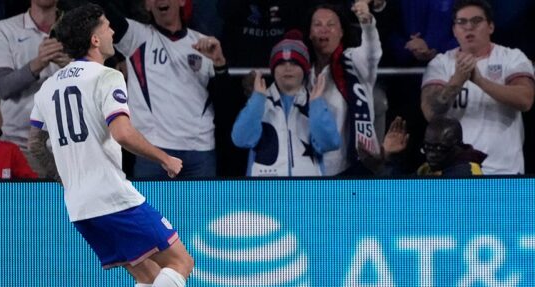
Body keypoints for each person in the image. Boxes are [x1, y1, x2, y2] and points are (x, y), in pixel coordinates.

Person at [28, 4, 199, 287]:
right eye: (107, 28)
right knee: (181, 262)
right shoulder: (106, 77)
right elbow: (121, 133)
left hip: (78, 205)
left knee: (147, 274)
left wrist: (64, 175)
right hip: (112, 196)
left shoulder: (48, 87)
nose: (112, 34)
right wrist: (165, 158)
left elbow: (35, 143)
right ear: (93, 38)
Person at [95, 0, 231, 179]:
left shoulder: (204, 44)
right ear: (146, 5)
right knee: (153, 209)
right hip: (152, 152)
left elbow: (226, 103)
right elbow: (103, 10)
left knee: (201, 207)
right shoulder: (136, 37)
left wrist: (220, 64)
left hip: (200, 151)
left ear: (183, 2)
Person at [421, 0, 535, 175]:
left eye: (476, 21)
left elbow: (525, 100)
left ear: (490, 27)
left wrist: (479, 80)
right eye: (462, 22)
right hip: (456, 171)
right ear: (454, 30)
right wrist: (457, 81)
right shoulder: (441, 63)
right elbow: (430, 112)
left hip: (504, 170)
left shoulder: (512, 57)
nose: (469, 27)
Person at [231, 31, 341, 176]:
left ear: (304, 69)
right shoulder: (259, 102)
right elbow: (241, 139)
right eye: (282, 63)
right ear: (273, 69)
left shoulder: (314, 103)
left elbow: (329, 143)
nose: (288, 68)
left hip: (307, 193)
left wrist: (316, 105)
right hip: (265, 194)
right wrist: (257, 100)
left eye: (294, 63)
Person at [0, 0, 70, 178]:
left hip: (72, 147)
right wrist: (39, 63)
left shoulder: (77, 27)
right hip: (22, 147)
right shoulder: (5, 29)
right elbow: (4, 87)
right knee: (28, 206)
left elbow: (97, 83)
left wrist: (73, 65)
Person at [306, 1, 383, 176]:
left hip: (352, 167)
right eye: (317, 24)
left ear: (341, 32)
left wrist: (367, 23)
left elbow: (372, 53)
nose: (324, 29)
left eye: (331, 25)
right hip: (307, 170)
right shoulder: (301, 70)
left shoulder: (355, 62)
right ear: (310, 33)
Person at [383, 115, 487, 175]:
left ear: (458, 146)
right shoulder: (426, 169)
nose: (431, 155)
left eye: (440, 148)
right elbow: (398, 193)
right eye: (427, 147)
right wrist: (392, 157)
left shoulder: (468, 173)